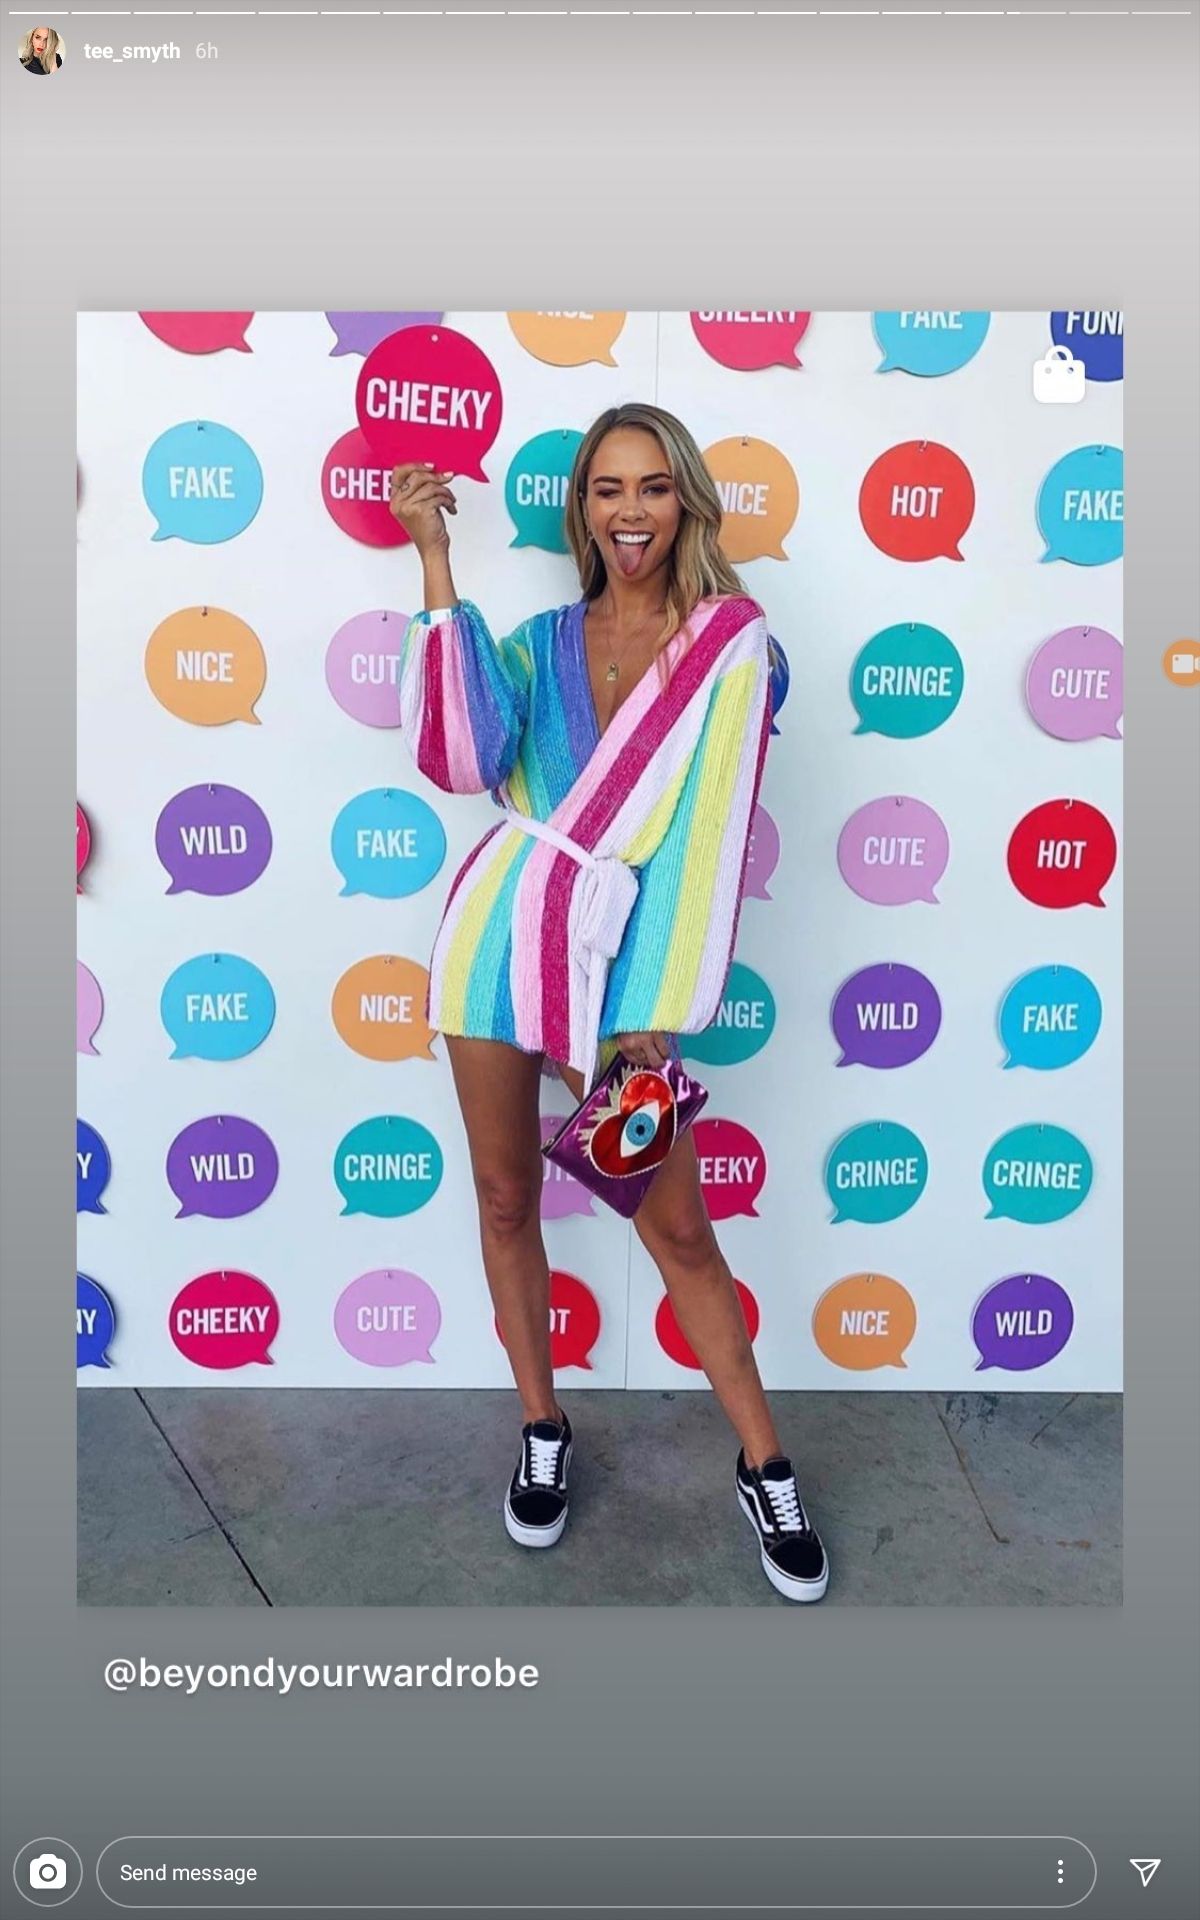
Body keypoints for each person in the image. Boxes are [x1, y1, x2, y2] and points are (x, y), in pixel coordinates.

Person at [388, 402, 828, 1603]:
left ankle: (765, 1464)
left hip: (627, 973)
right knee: (503, 1197)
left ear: (685, 500)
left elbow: (705, 841)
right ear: (581, 508)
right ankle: (543, 1427)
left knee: (677, 1229)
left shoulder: (732, 648)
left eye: (651, 486)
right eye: (606, 489)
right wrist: (434, 558)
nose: (629, 511)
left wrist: (650, 1008)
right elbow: (464, 761)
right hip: (497, 942)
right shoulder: (538, 642)